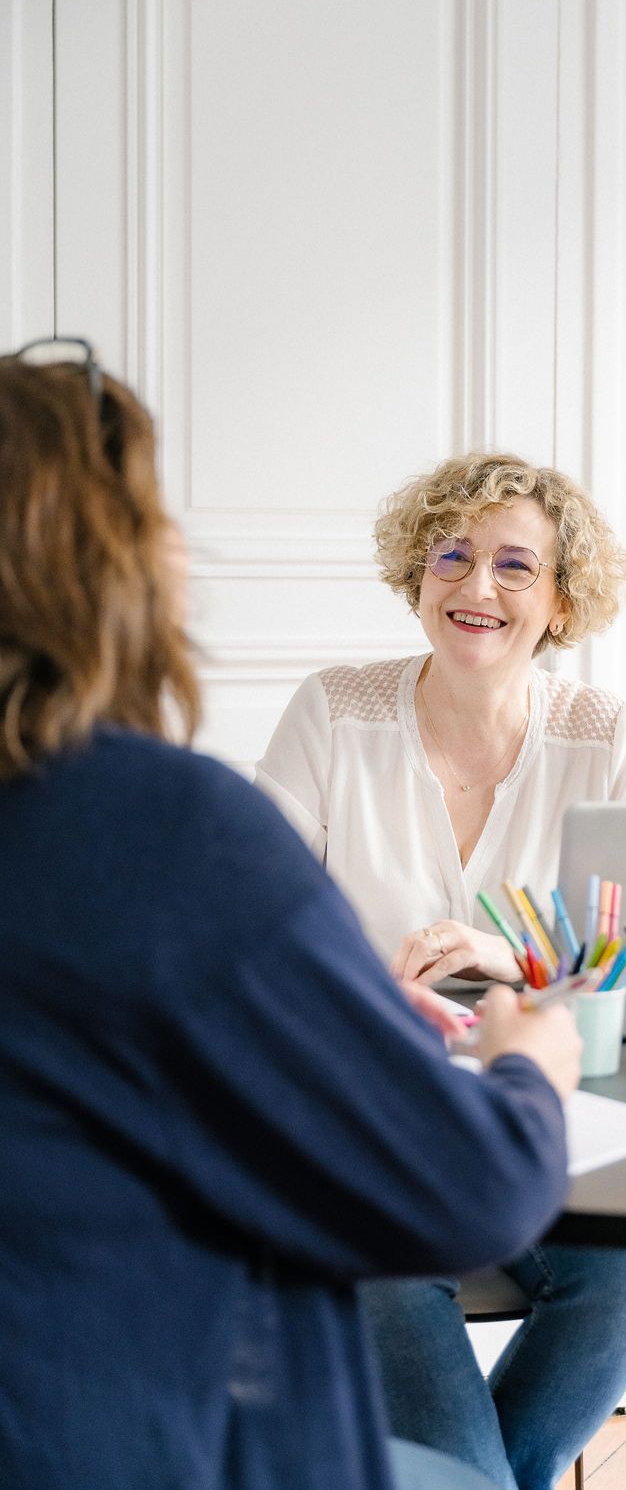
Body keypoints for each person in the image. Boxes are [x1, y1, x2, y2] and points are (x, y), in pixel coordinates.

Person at [0, 346, 582, 1490]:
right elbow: (472, 1190)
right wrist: (528, 1069)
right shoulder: (162, 829)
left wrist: (350, 1013)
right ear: (106, 564)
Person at [257, 452, 626, 1490]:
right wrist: (360, 993)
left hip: (548, 1124)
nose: (475, 585)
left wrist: (513, 955)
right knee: (384, 1274)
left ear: (561, 600)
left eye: (514, 565)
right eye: (450, 556)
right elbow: (249, 930)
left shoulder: (604, 737)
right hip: (366, 1123)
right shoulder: (334, 712)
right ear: (417, 576)